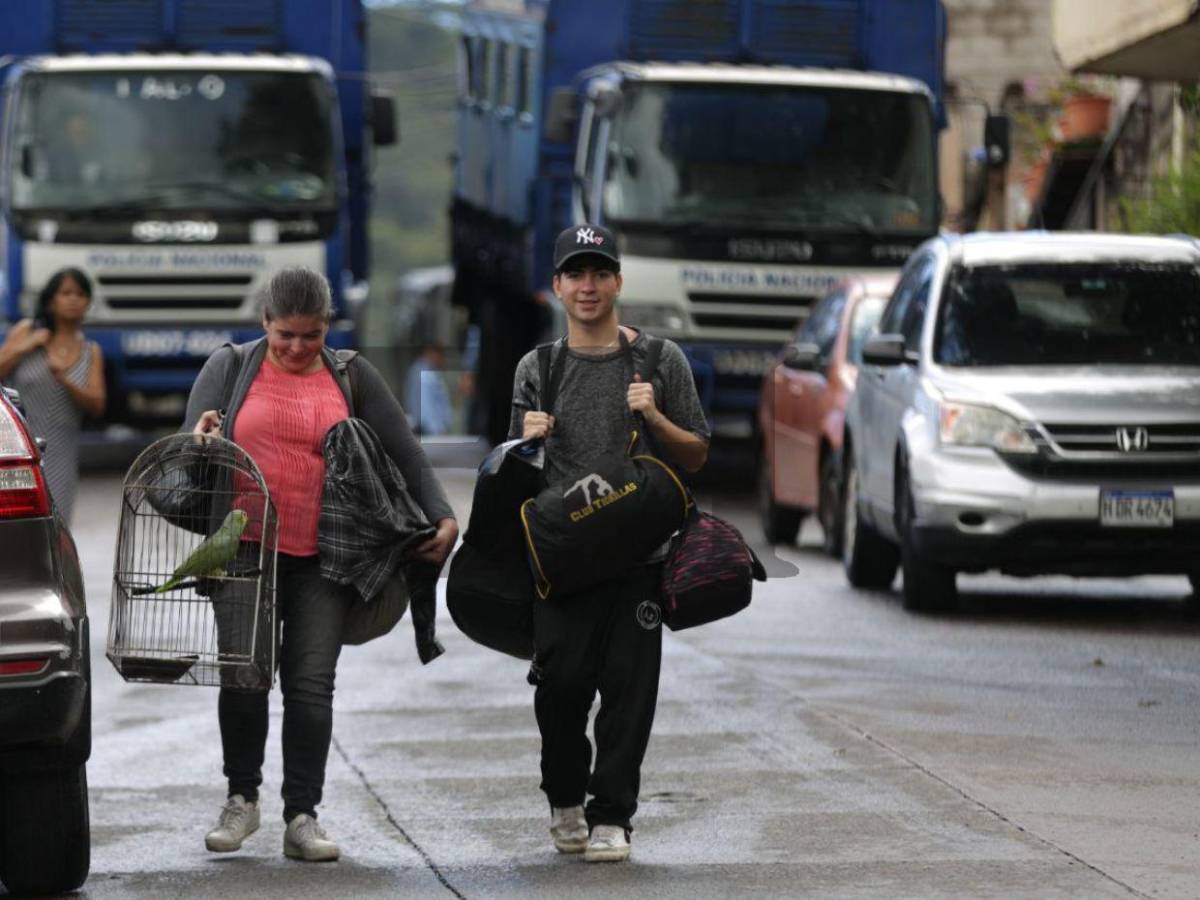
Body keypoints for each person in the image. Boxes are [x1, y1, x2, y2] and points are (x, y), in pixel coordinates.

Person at [183, 267, 458, 862]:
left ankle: (302, 816)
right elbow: (189, 447)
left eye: (310, 336)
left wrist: (441, 514)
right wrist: (198, 440)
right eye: (285, 334)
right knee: (245, 675)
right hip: (244, 548)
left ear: (327, 328)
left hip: (327, 555)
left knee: (311, 687)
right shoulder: (229, 369)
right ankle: (241, 799)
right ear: (265, 322)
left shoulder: (352, 375)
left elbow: (403, 448)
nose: (297, 347)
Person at [508, 224, 710, 862]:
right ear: (558, 286)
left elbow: (697, 454)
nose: (588, 286)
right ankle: (566, 798)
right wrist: (526, 440)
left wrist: (655, 417)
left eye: (600, 273)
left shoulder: (660, 361)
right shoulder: (537, 367)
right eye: (576, 274)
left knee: (629, 692)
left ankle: (611, 817)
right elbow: (509, 475)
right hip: (564, 563)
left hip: (639, 558)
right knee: (561, 686)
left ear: (618, 281)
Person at [0, 268, 105, 522]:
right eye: (65, 292)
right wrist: (26, 347)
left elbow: (97, 404)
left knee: (56, 527)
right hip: (16, 448)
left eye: (80, 294)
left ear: (88, 303)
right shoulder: (27, 331)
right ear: (50, 300)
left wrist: (65, 379)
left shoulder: (90, 351)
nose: (72, 299)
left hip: (61, 454)